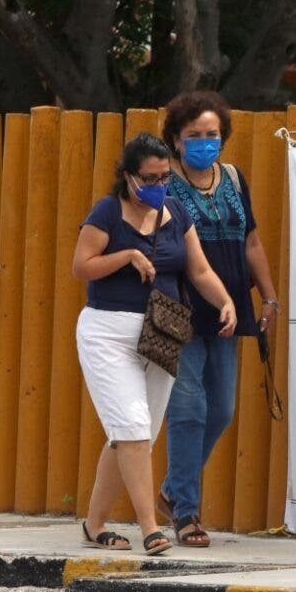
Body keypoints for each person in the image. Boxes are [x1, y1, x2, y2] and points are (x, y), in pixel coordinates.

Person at [73, 132, 237, 556]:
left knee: (135, 435)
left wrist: (224, 301)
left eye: (165, 177)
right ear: (129, 177)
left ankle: (94, 524)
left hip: (161, 331)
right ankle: (150, 528)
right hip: (109, 330)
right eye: (150, 177)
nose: (159, 185)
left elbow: (198, 269)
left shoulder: (176, 212)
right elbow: (82, 266)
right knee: (130, 427)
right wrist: (126, 256)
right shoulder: (108, 212)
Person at [157, 90, 278, 547]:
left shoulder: (233, 177)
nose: (205, 142)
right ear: (176, 139)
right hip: (182, 308)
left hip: (230, 310)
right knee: (188, 409)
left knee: (222, 409)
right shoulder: (165, 185)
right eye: (194, 136)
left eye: (212, 134)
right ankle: (186, 512)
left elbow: (251, 242)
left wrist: (269, 298)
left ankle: (171, 489)